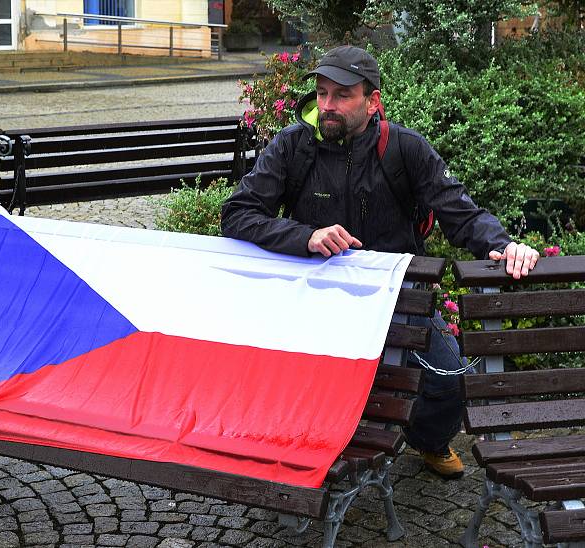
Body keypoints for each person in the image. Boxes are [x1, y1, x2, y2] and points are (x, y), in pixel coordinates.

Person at [221, 45, 539, 479]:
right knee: (306, 389)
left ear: (373, 102)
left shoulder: (404, 149)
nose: (327, 106)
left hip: (399, 304)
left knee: (449, 380)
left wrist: (503, 245)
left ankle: (427, 441)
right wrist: (305, 236)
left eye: (342, 95)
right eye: (322, 93)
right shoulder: (293, 146)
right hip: (316, 301)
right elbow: (237, 214)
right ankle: (317, 450)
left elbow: (461, 213)